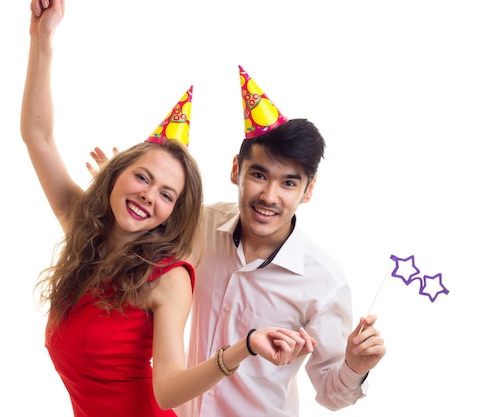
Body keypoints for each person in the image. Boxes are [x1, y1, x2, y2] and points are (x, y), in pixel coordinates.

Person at [21, 2, 317, 416]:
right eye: (143, 178)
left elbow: (168, 392)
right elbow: (39, 138)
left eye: (167, 194)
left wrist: (243, 347)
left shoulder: (166, 278)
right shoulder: (81, 228)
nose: (149, 196)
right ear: (116, 173)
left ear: (172, 212)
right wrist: (43, 38)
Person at [89, 66, 386, 417]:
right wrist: (123, 187)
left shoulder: (325, 280)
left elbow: (331, 396)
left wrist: (354, 365)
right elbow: (138, 229)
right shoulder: (197, 225)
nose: (270, 196)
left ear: (308, 191)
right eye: (259, 175)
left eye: (289, 183)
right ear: (236, 170)